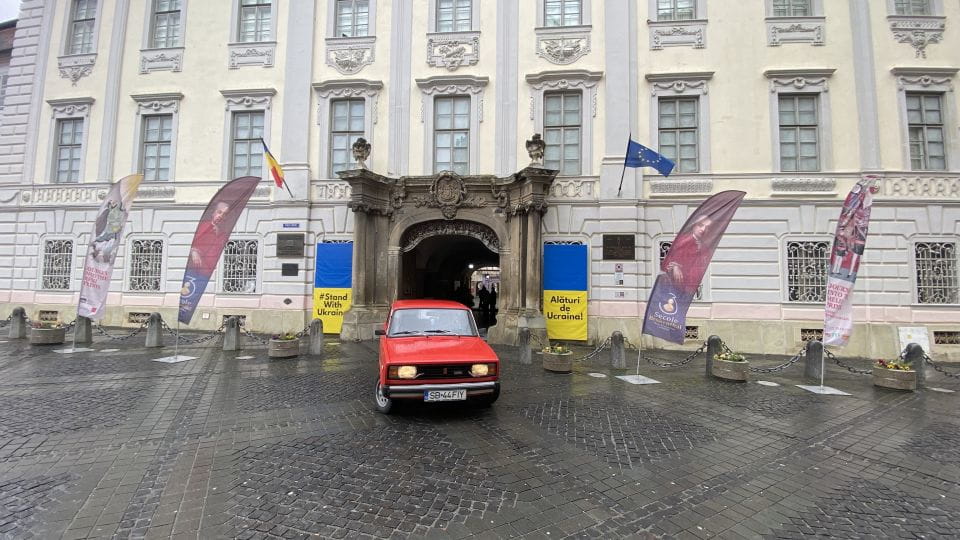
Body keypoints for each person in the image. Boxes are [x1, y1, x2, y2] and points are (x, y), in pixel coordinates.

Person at [662, 215, 714, 296]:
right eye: (700, 225)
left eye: (707, 227)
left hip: (694, 291)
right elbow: (667, 262)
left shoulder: (706, 248)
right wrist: (675, 266)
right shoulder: (682, 241)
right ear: (694, 226)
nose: (703, 229)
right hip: (676, 289)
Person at [189, 201, 232, 275]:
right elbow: (189, 243)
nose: (221, 216)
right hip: (197, 272)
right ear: (213, 213)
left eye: (224, 214)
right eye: (219, 212)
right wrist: (194, 251)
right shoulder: (203, 226)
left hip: (216, 274)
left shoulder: (224, 235)